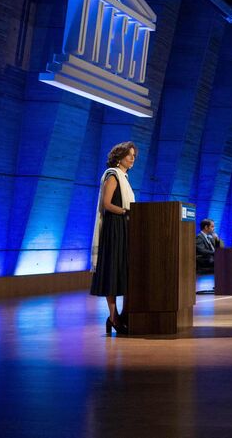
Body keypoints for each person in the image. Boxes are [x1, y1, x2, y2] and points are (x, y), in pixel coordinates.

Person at [90, 141, 137, 336]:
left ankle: (120, 315)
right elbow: (107, 204)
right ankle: (113, 316)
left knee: (123, 272)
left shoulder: (124, 177)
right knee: (112, 272)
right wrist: (127, 212)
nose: (132, 159)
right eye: (129, 155)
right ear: (119, 157)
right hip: (114, 228)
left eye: (134, 156)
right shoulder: (112, 175)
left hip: (124, 227)